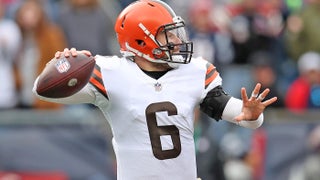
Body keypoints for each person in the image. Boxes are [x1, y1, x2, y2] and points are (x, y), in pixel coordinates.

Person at [32, 0, 277, 179]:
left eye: (176, 33)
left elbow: (240, 115)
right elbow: (44, 89)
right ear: (140, 40)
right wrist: (60, 67)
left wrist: (252, 114)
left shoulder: (194, 71)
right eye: (167, 36)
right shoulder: (110, 72)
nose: (177, 42)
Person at [14, 0, 67, 109]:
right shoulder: (18, 36)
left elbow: (60, 63)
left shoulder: (51, 35)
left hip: (45, 99)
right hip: (22, 98)